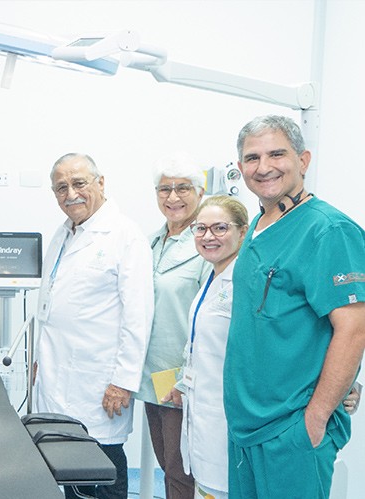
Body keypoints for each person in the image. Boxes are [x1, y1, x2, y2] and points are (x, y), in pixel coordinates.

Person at [223, 115, 365, 498]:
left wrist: (315, 419)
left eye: (277, 154)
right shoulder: (257, 227)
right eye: (252, 158)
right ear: (240, 168)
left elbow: (354, 329)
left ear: (303, 160)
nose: (263, 167)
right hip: (246, 426)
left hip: (291, 430)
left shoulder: (328, 230)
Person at [34, 153, 154, 499]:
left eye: (79, 183)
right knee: (69, 466)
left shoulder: (125, 235)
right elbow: (53, 305)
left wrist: (123, 381)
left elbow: (138, 315)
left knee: (102, 468)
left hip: (99, 383)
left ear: (100, 183)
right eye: (61, 188)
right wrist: (40, 361)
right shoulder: (64, 234)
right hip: (57, 374)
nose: (70, 194)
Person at [163, 195, 249, 499]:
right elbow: (201, 345)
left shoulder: (243, 282)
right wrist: (183, 383)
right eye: (200, 229)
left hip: (226, 416)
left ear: (243, 231)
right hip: (203, 411)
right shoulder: (212, 278)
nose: (208, 236)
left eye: (220, 228)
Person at [137, 153, 210, 499]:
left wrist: (188, 378)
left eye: (183, 188)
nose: (173, 197)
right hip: (153, 373)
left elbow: (210, 319)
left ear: (200, 192)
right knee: (168, 465)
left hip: (186, 376)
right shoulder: (151, 242)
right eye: (164, 189)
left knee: (182, 471)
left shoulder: (207, 244)